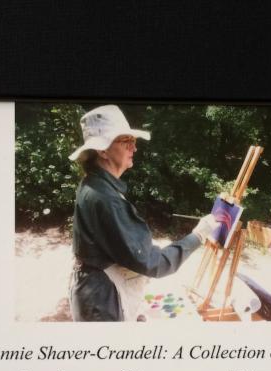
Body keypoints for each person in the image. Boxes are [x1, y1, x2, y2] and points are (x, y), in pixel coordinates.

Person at [67, 105, 219, 321]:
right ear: (102, 150)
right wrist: (198, 236)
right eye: (126, 141)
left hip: (94, 293)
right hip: (101, 302)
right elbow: (153, 263)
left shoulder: (94, 184)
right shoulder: (105, 197)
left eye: (133, 141)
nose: (134, 148)